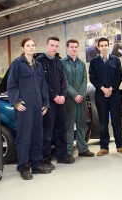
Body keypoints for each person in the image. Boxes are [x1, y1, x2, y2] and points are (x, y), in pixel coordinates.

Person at [7, 37, 51, 180]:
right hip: (24, 108)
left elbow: (43, 87)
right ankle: (24, 166)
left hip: (38, 107)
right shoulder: (17, 64)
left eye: (33, 45)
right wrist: (16, 102)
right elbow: (11, 85)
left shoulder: (38, 65)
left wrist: (46, 104)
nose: (31, 48)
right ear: (23, 48)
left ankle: (36, 164)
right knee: (24, 137)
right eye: (28, 45)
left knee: (37, 136)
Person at [36, 36, 75, 169]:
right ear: (47, 46)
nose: (54, 48)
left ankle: (62, 156)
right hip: (48, 102)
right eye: (52, 45)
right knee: (47, 132)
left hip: (61, 102)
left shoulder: (59, 62)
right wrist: (54, 96)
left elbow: (64, 81)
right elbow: (42, 83)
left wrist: (63, 95)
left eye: (56, 46)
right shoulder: (40, 61)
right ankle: (45, 159)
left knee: (61, 129)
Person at [89, 37, 122, 156]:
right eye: (102, 45)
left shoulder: (115, 60)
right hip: (100, 95)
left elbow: (119, 76)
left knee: (116, 120)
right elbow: (92, 77)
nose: (104, 47)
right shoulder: (94, 61)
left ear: (109, 46)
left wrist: (111, 88)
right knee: (103, 121)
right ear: (98, 47)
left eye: (106, 45)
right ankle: (104, 147)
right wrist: (102, 88)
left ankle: (120, 146)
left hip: (114, 94)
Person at [62, 39, 95, 157]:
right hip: (69, 100)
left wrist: (80, 95)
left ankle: (82, 149)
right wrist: (74, 95)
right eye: (72, 47)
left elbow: (84, 80)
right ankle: (69, 151)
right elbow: (64, 82)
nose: (74, 49)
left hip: (80, 99)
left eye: (76, 47)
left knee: (82, 124)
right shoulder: (62, 63)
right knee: (69, 126)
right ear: (67, 48)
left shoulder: (81, 63)